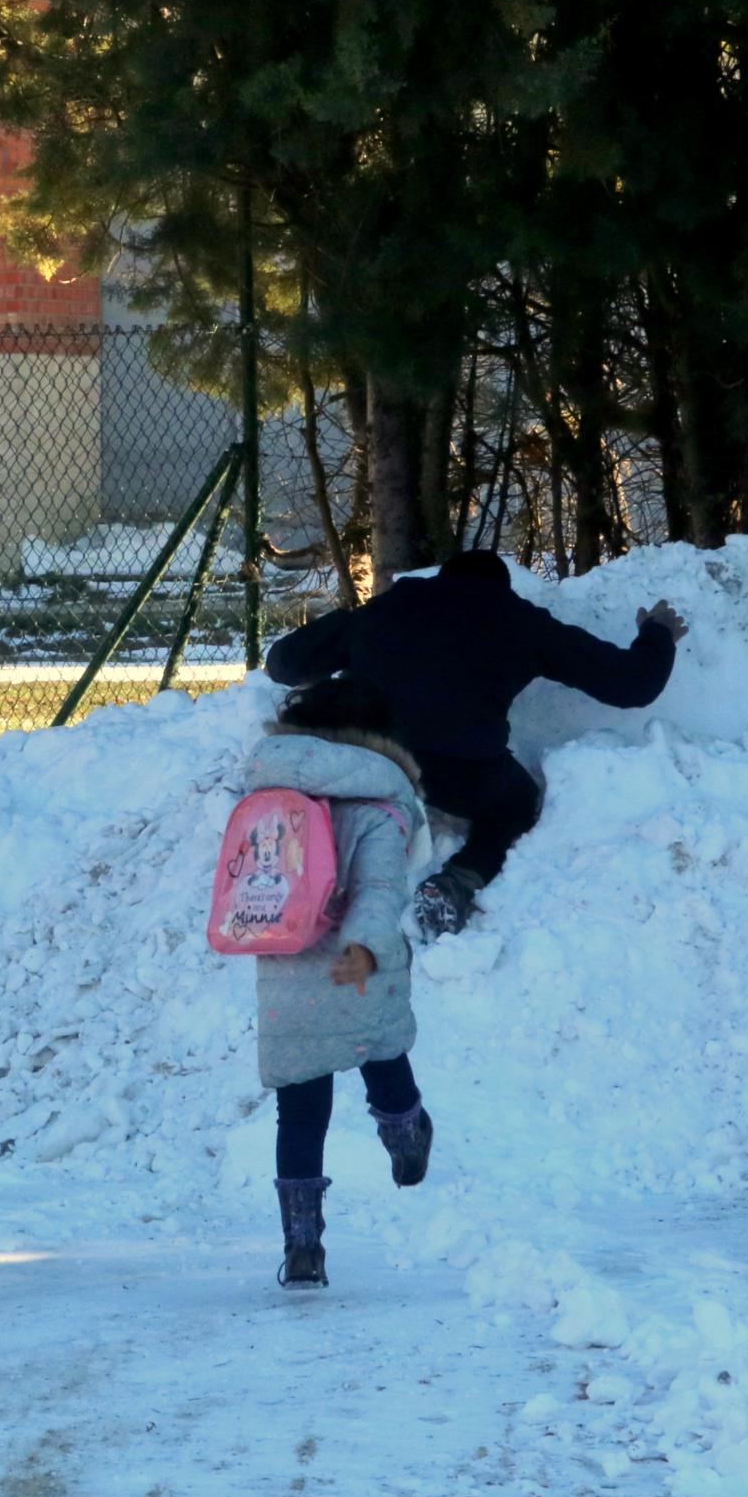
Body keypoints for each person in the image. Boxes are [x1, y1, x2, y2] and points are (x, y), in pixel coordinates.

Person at [264, 549, 685, 936]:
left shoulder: (386, 608)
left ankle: (300, 872)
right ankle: (458, 880)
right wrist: (657, 635)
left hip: (365, 756)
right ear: (501, 588)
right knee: (516, 803)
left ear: (441, 579)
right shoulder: (520, 621)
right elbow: (632, 684)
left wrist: (343, 643)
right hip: (457, 772)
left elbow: (282, 662)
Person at [246, 675, 434, 1289]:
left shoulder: (272, 796)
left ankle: (303, 1246)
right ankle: (407, 1133)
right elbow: (381, 888)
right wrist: (365, 947)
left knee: (300, 1115)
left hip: (287, 972)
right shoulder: (379, 806)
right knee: (384, 1055)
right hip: (357, 968)